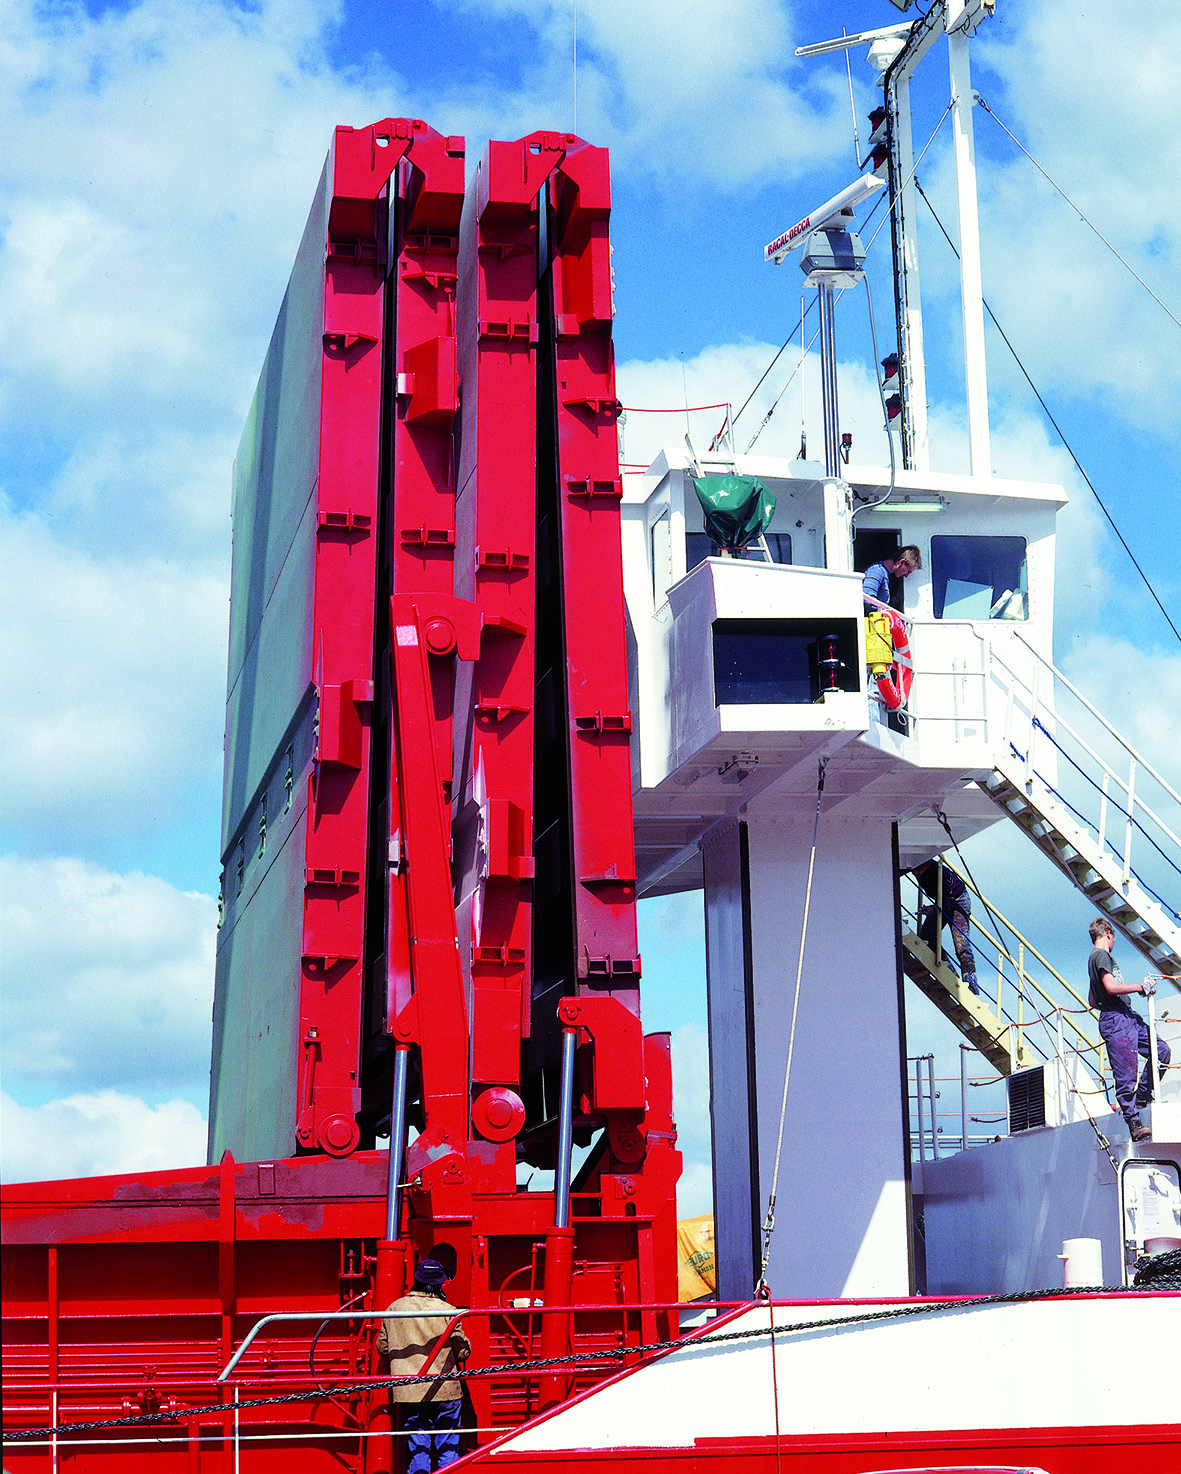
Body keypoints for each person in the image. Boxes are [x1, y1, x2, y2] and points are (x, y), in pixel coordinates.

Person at [377, 1257, 471, 1474]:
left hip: (410, 1390)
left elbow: (382, 1347)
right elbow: (463, 1352)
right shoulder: (448, 1310)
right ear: (439, 1283)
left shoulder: (393, 1308)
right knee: (448, 1449)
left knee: (419, 1451)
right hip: (445, 1389)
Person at [1087, 918, 1170, 1143]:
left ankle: (1142, 1097)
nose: (1114, 942)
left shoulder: (1093, 959)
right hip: (1118, 1019)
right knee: (1126, 1075)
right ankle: (1134, 1123)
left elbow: (1092, 1000)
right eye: (1113, 938)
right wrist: (1141, 987)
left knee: (1161, 1051)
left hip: (1124, 1016)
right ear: (1108, 934)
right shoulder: (1101, 956)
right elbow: (1110, 986)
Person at [913, 860, 978, 994]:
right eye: (914, 869)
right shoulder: (917, 868)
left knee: (961, 946)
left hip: (957, 901)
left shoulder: (939, 873)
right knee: (926, 934)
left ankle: (971, 985)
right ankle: (950, 972)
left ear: (926, 866)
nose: (915, 873)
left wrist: (933, 909)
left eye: (918, 869)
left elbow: (948, 903)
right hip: (943, 901)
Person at [862, 545, 922, 611]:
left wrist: (895, 599)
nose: (907, 575)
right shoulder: (877, 571)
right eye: (908, 571)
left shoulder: (884, 574)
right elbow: (867, 599)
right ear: (901, 562)